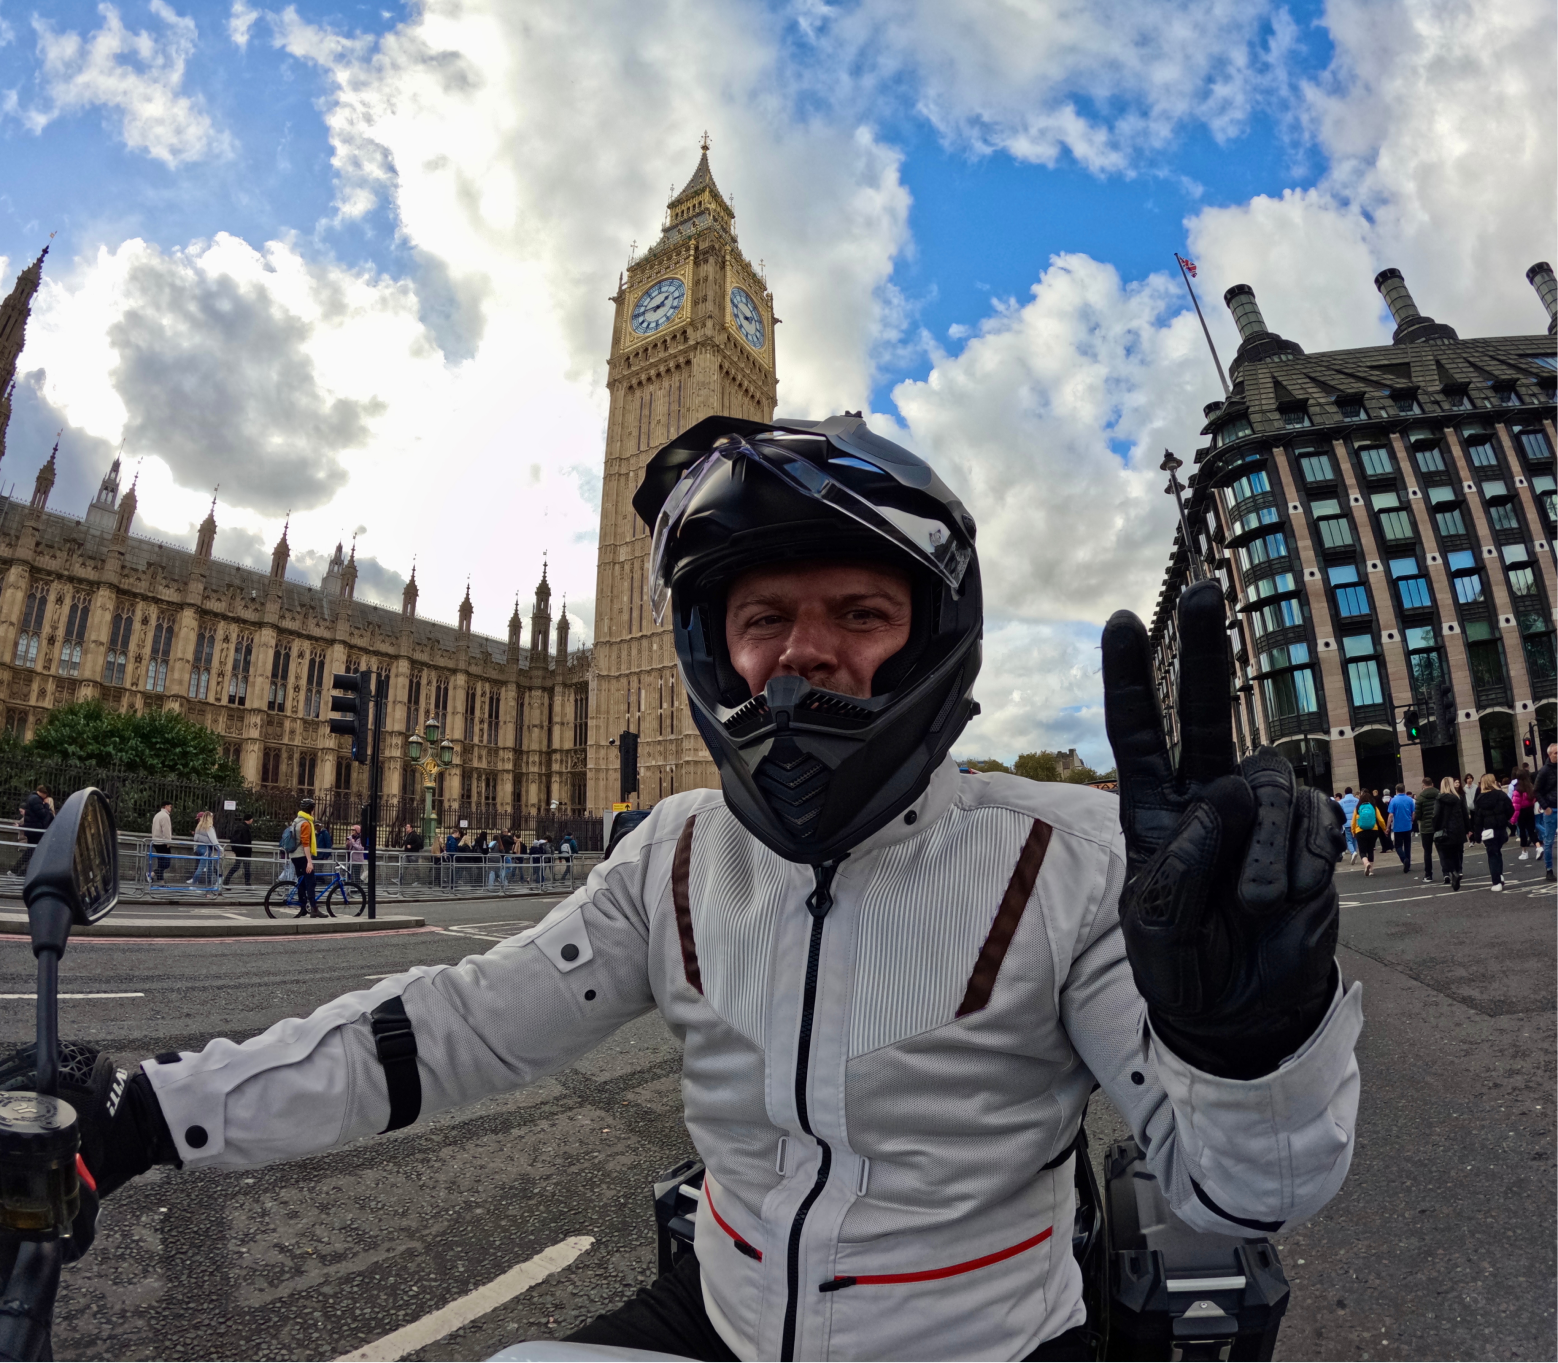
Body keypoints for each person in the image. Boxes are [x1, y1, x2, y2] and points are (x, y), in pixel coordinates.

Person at [23, 416, 1360, 1363]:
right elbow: (448, 1027)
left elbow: (1242, 1190)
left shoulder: (1060, 854)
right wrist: (146, 1110)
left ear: (930, 635)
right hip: (717, 1322)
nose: (803, 654)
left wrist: (1247, 1044)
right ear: (714, 648)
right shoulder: (671, 852)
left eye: (857, 610)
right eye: (764, 617)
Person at [1470, 773, 1515, 892]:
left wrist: (1477, 835)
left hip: (1488, 830)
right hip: (1500, 828)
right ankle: (1499, 875)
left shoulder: (1479, 799)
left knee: (1492, 855)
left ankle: (1496, 881)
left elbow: (1478, 820)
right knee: (1497, 852)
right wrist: (1504, 819)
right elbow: (1511, 809)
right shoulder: (1501, 795)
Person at [1433, 775, 1469, 891]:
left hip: (1445, 830)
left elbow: (1436, 815)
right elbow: (1465, 814)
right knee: (1458, 852)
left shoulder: (1439, 799)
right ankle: (1458, 871)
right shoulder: (1459, 798)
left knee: (1445, 853)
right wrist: (1468, 829)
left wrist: (1435, 828)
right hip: (1458, 830)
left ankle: (1452, 872)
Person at [289, 797, 322, 919]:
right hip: (302, 855)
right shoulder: (306, 823)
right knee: (311, 882)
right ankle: (313, 909)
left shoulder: (296, 821)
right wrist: (309, 861)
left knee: (301, 881)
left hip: (294, 855)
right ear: (311, 810)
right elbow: (305, 843)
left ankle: (303, 908)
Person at [12, 782, 53, 877]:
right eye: (46, 795)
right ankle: (18, 871)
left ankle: (19, 871)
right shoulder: (36, 800)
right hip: (35, 831)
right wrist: (46, 805)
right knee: (33, 852)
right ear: (43, 793)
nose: (46, 797)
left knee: (32, 852)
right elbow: (43, 815)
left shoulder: (33, 798)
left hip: (33, 830)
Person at [1534, 743, 1558, 883]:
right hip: (1551, 810)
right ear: (1549, 755)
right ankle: (1549, 870)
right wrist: (1545, 806)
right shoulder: (1544, 771)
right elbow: (1536, 790)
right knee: (1548, 841)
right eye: (1556, 753)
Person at [1386, 783, 1417, 874]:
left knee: (1398, 846)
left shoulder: (1393, 800)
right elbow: (1413, 813)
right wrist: (1411, 820)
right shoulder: (1410, 800)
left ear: (1396, 790)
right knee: (1408, 846)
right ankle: (1408, 863)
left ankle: (1404, 859)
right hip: (1408, 826)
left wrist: (1388, 827)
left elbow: (1391, 815)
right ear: (1404, 789)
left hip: (1398, 827)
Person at [1414, 777, 1439, 884]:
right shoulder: (1439, 794)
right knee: (1441, 851)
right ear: (1432, 784)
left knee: (1427, 852)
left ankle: (1428, 875)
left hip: (1425, 828)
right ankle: (1447, 873)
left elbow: (1418, 815)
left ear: (1423, 785)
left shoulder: (1420, 798)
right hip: (1438, 826)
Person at [1351, 788, 1382, 875]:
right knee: (1370, 850)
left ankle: (1366, 863)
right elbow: (1380, 819)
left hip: (1360, 831)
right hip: (1373, 830)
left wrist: (1353, 831)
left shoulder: (1357, 808)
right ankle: (1371, 870)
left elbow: (1353, 821)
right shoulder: (1373, 807)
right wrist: (1384, 828)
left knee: (1362, 851)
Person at [190, 812, 222, 891]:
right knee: (201, 867)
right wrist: (220, 848)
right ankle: (193, 885)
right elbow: (214, 840)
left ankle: (212, 884)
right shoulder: (209, 827)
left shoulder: (199, 826)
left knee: (210, 867)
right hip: (206, 849)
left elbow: (195, 838)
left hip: (199, 847)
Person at [224, 815, 255, 887]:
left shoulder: (239, 826)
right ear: (249, 820)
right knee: (246, 867)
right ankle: (247, 883)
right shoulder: (245, 828)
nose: (252, 820)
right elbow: (246, 840)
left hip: (239, 850)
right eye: (252, 819)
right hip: (244, 850)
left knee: (237, 866)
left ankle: (226, 880)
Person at [148, 800, 174, 883]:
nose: (171, 808)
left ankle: (161, 881)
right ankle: (151, 874)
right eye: (170, 806)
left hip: (156, 841)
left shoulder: (157, 815)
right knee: (166, 863)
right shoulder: (165, 816)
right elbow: (166, 830)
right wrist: (168, 842)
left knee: (160, 862)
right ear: (165, 806)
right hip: (163, 842)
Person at [1513, 773, 1537, 859]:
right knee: (1531, 830)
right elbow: (1534, 798)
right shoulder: (1530, 787)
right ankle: (1538, 846)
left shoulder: (1518, 789)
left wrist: (1513, 819)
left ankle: (1524, 852)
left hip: (1522, 812)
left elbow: (1516, 806)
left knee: (1522, 832)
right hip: (1530, 810)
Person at [1338, 786, 1359, 863]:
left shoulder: (1341, 802)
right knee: (1355, 839)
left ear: (1345, 793)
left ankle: (1353, 852)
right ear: (1352, 792)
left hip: (1346, 823)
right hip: (1355, 823)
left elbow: (1340, 813)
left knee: (1348, 840)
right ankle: (1354, 852)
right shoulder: (1357, 800)